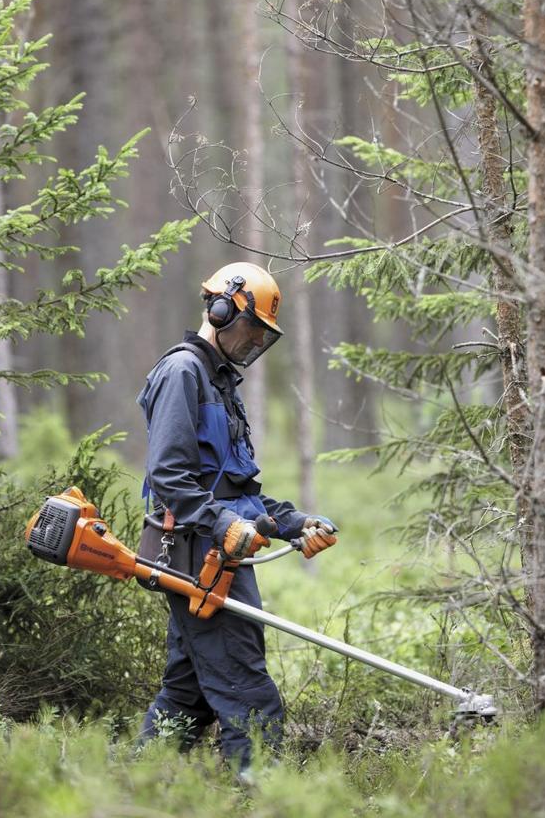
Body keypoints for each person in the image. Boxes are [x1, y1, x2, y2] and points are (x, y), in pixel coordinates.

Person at [137, 261, 337, 774]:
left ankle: (133, 785)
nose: (253, 342)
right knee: (249, 695)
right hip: (197, 555)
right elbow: (170, 479)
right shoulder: (183, 373)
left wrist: (293, 523)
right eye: (250, 328)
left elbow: (236, 489)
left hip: (215, 552)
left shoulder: (219, 381)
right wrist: (223, 525)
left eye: (262, 335)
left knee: (189, 696)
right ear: (221, 310)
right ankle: (262, 797)